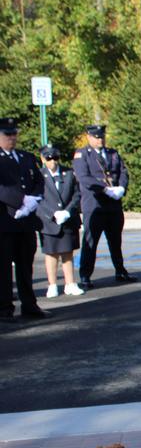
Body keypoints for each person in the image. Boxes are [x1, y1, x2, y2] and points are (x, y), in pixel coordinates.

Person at [73, 124, 134, 288]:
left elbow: (123, 172)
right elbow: (83, 177)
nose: (100, 139)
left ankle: (120, 271)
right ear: (89, 137)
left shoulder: (112, 153)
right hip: (95, 205)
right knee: (90, 242)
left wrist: (121, 187)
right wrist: (104, 189)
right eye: (97, 137)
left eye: (102, 136)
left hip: (113, 205)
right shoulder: (82, 154)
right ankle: (85, 275)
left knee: (115, 241)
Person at [0, 117, 47, 319]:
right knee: (3, 268)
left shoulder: (26, 157)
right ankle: (4, 308)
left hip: (26, 221)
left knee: (25, 265)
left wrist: (32, 201)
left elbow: (38, 180)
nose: (12, 138)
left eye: (14, 134)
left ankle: (30, 305)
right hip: (6, 221)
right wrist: (20, 200)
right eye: (7, 134)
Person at [36, 145, 84, 297]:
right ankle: (52, 285)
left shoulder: (68, 173)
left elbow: (77, 195)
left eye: (55, 158)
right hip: (49, 221)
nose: (53, 162)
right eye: (49, 158)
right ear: (43, 159)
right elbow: (38, 198)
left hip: (67, 219)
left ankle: (70, 283)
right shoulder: (39, 175)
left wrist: (67, 211)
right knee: (51, 254)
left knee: (67, 252)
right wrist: (52, 214)